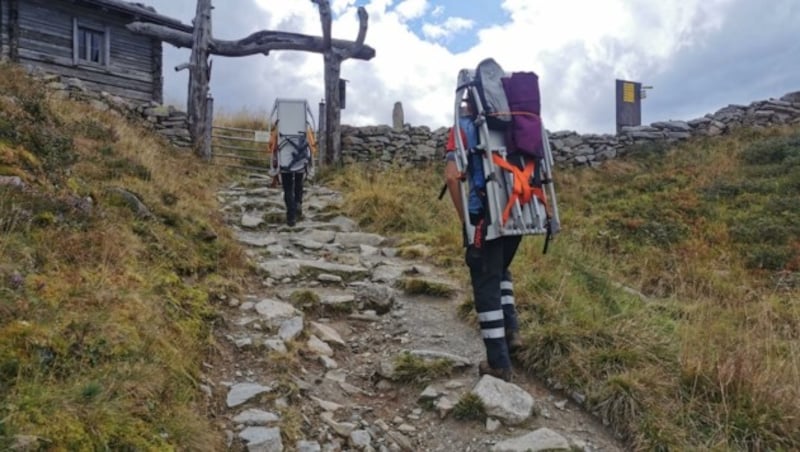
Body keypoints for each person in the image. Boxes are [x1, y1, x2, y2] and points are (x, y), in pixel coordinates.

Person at [444, 102, 523, 382]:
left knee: (484, 280)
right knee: (500, 269)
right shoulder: (515, 119)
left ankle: (499, 364)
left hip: (484, 215)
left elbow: (452, 177)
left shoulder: (462, 127)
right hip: (520, 211)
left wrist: (465, 220)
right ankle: (511, 332)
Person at [271, 125, 311, 227]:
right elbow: (311, 144)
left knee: (288, 189)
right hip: (301, 157)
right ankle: (298, 203)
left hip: (285, 159)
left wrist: (275, 163)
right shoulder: (305, 126)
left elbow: (273, 146)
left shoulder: (279, 127)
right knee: (299, 183)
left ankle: (291, 217)